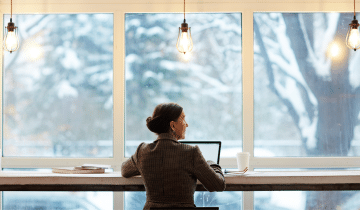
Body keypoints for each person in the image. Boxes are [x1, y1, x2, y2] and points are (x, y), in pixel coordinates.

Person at [121, 102, 226, 210]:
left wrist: (145, 168)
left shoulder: (142, 151)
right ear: (173, 125)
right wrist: (212, 163)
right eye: (183, 119)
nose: (186, 124)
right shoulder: (191, 152)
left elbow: (124, 170)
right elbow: (218, 185)